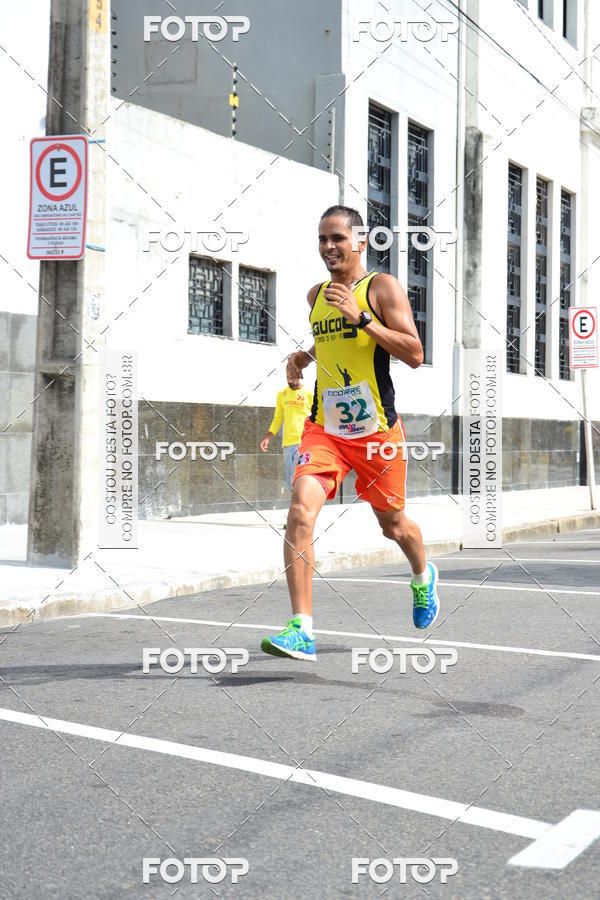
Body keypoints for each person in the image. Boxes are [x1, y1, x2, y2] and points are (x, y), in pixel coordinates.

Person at [261, 205, 440, 661]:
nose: (328, 247)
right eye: (322, 239)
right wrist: (305, 356)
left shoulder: (381, 287)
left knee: (393, 526)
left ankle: (422, 576)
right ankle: (301, 627)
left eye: (337, 238)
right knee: (300, 510)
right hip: (326, 430)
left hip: (377, 433)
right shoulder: (315, 295)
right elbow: (335, 343)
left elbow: (414, 352)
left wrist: (363, 318)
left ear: (361, 241)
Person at [260, 377, 313, 491]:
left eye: (293, 377)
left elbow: (317, 417)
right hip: (288, 443)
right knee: (290, 481)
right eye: (288, 377)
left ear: (299, 376)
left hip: (305, 442)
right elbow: (278, 418)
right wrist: (268, 437)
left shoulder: (309, 394)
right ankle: (298, 505)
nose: (290, 380)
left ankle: (302, 505)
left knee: (302, 477)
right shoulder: (282, 394)